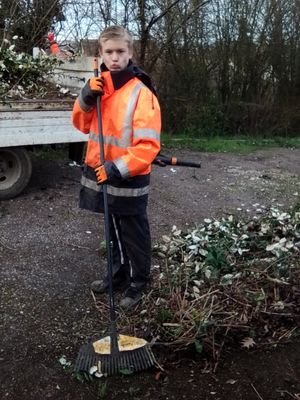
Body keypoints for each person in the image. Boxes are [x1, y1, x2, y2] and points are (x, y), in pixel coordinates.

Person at [72, 25, 161, 310]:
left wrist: (116, 168)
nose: (114, 58)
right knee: (111, 230)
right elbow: (81, 124)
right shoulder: (99, 86)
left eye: (120, 51)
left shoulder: (140, 93)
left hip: (127, 176)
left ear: (130, 53)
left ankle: (138, 283)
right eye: (108, 52)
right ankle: (117, 274)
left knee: (133, 233)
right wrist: (86, 96)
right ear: (100, 54)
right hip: (103, 173)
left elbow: (148, 146)